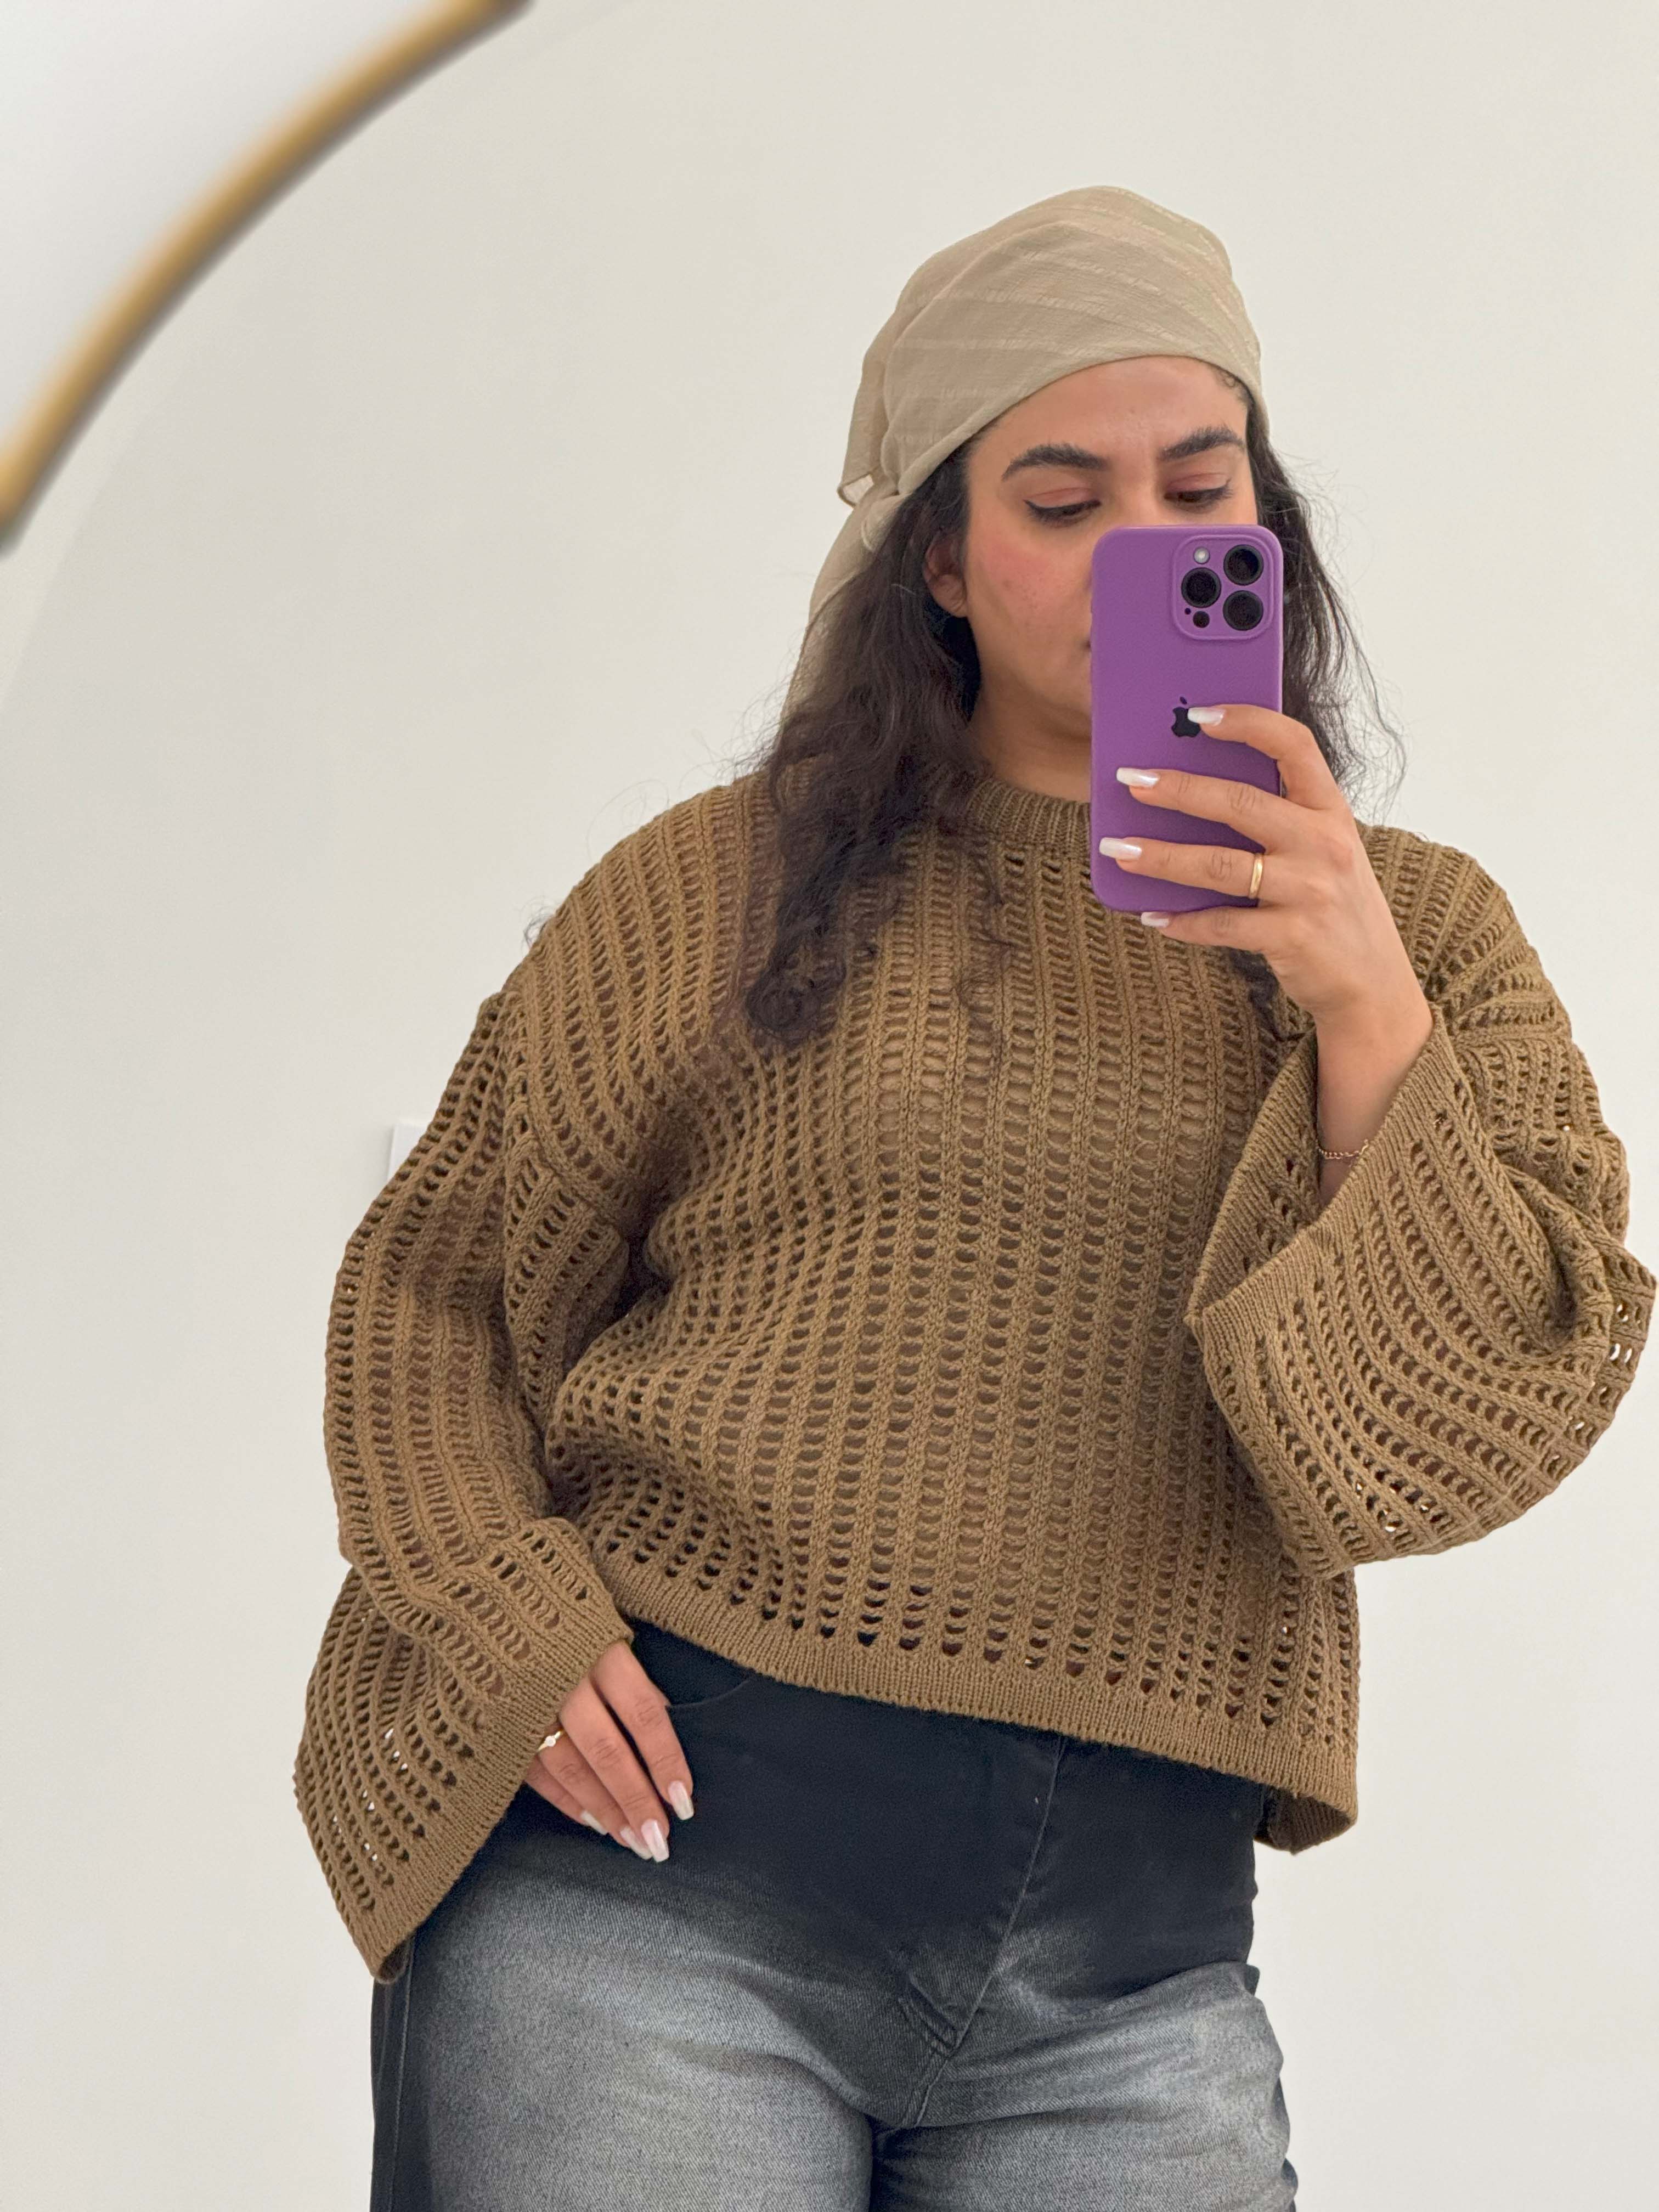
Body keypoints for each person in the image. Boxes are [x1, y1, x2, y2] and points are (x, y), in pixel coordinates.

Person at [291, 186, 1655, 2211]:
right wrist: (506, 1621)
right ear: (939, 557)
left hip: (1132, 1976)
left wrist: (1365, 1009)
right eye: (1062, 497)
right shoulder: (722, 886)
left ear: (1264, 526)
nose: (1140, 548)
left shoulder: (1421, 933)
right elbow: (435, 1297)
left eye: (1198, 486)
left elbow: (1455, 1437)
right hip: (660, 1894)